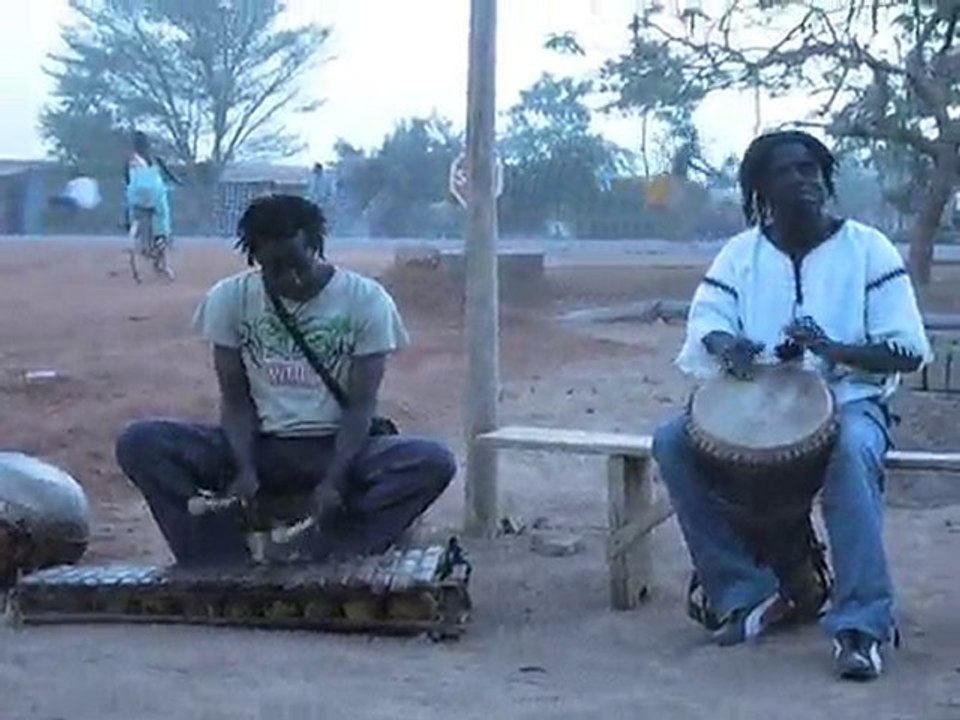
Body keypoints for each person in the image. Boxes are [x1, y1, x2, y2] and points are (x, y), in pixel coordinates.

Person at [652, 129, 932, 681]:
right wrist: (726, 346)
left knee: (851, 449)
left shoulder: (867, 248)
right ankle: (744, 591)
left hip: (852, 400)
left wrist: (834, 350)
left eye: (810, 169)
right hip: (759, 404)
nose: (803, 180)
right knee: (671, 440)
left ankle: (861, 626)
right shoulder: (742, 255)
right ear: (761, 187)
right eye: (787, 171)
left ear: (825, 178)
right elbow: (707, 321)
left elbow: (908, 350)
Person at [114, 193, 456, 567]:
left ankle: (332, 552)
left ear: (316, 247)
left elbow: (360, 407)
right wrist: (244, 468)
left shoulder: (367, 301)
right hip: (262, 445)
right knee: (140, 442)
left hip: (337, 445)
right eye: (272, 269)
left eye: (297, 264)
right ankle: (218, 557)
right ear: (254, 259)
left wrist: (334, 480)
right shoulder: (229, 299)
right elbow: (236, 401)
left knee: (433, 461)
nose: (289, 279)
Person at [124, 130, 181, 282]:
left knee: (132, 212)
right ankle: (161, 260)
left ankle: (130, 227)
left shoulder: (131, 161)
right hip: (156, 197)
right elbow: (170, 175)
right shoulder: (155, 159)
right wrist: (178, 182)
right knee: (162, 224)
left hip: (137, 199)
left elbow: (127, 180)